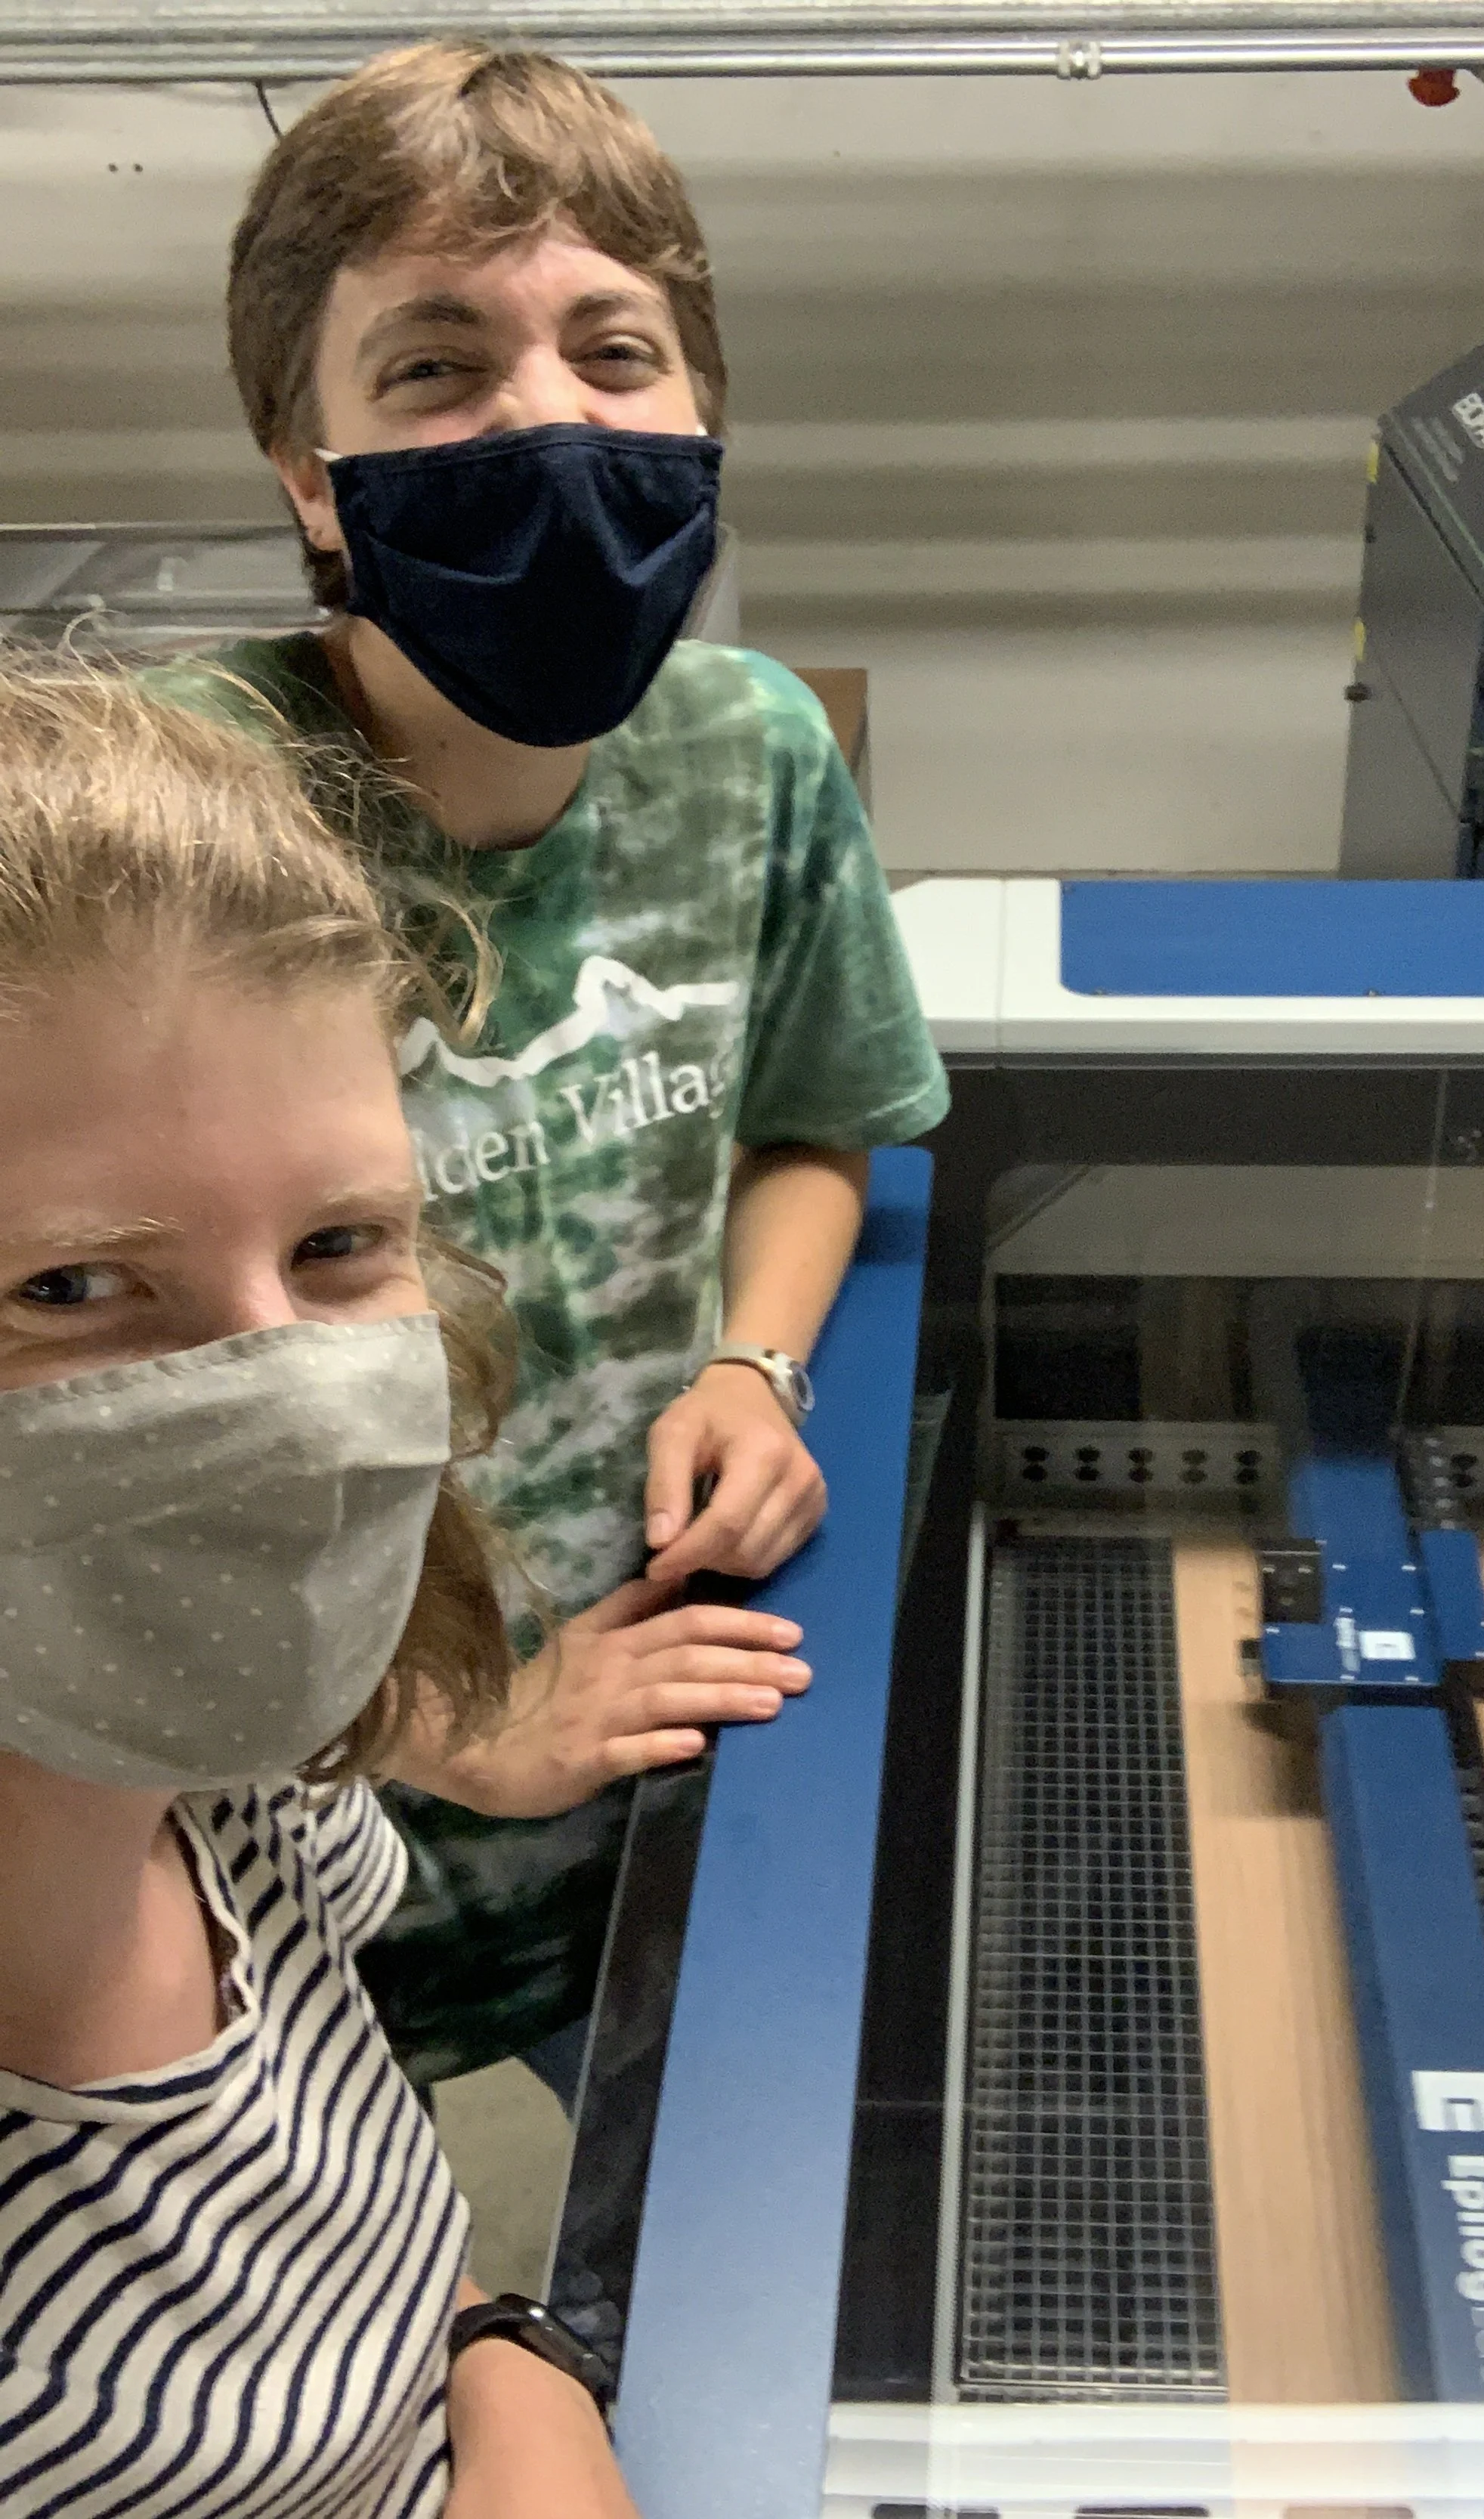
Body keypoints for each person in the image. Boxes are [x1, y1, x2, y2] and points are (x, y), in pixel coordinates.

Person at [149, 38, 951, 2106]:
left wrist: (748, 1365)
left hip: (657, 1770)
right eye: (432, 367)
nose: (551, 422)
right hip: (264, 1862)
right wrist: (449, 1727)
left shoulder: (751, 752)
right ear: (308, 467)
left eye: (617, 350)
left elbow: (810, 1111)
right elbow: (67, 1439)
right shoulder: (165, 838)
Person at [0, 658, 637, 2517]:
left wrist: (485, 2341)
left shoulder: (229, 1785)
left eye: (340, 1245)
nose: (287, 1394)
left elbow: (338, 2234)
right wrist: (533, 2407)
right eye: (69, 1287)